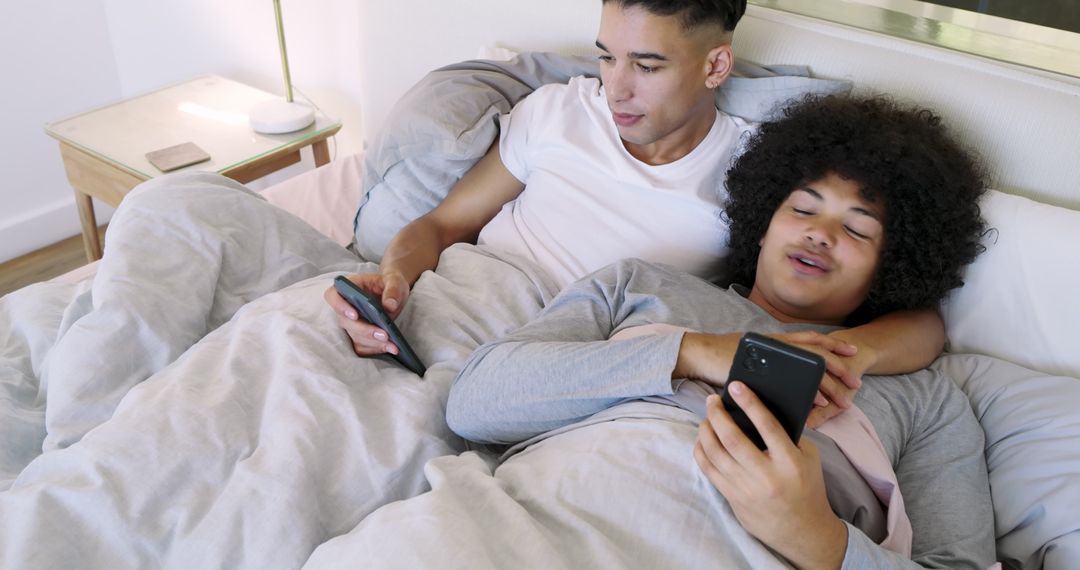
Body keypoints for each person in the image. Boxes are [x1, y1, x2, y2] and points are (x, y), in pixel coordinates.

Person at [324, 0, 948, 425]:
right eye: (607, 57)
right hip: (443, 302)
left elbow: (917, 322)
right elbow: (438, 226)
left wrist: (846, 356)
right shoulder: (557, 111)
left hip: (554, 356)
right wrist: (395, 277)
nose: (615, 88)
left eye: (646, 66)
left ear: (716, 66)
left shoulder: (757, 172)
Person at [442, 94, 995, 568]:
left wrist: (817, 539)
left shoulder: (928, 399)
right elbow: (474, 402)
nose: (819, 234)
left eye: (855, 228)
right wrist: (695, 352)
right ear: (762, 222)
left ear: (893, 265)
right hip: (522, 522)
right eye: (802, 208)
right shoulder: (638, 283)